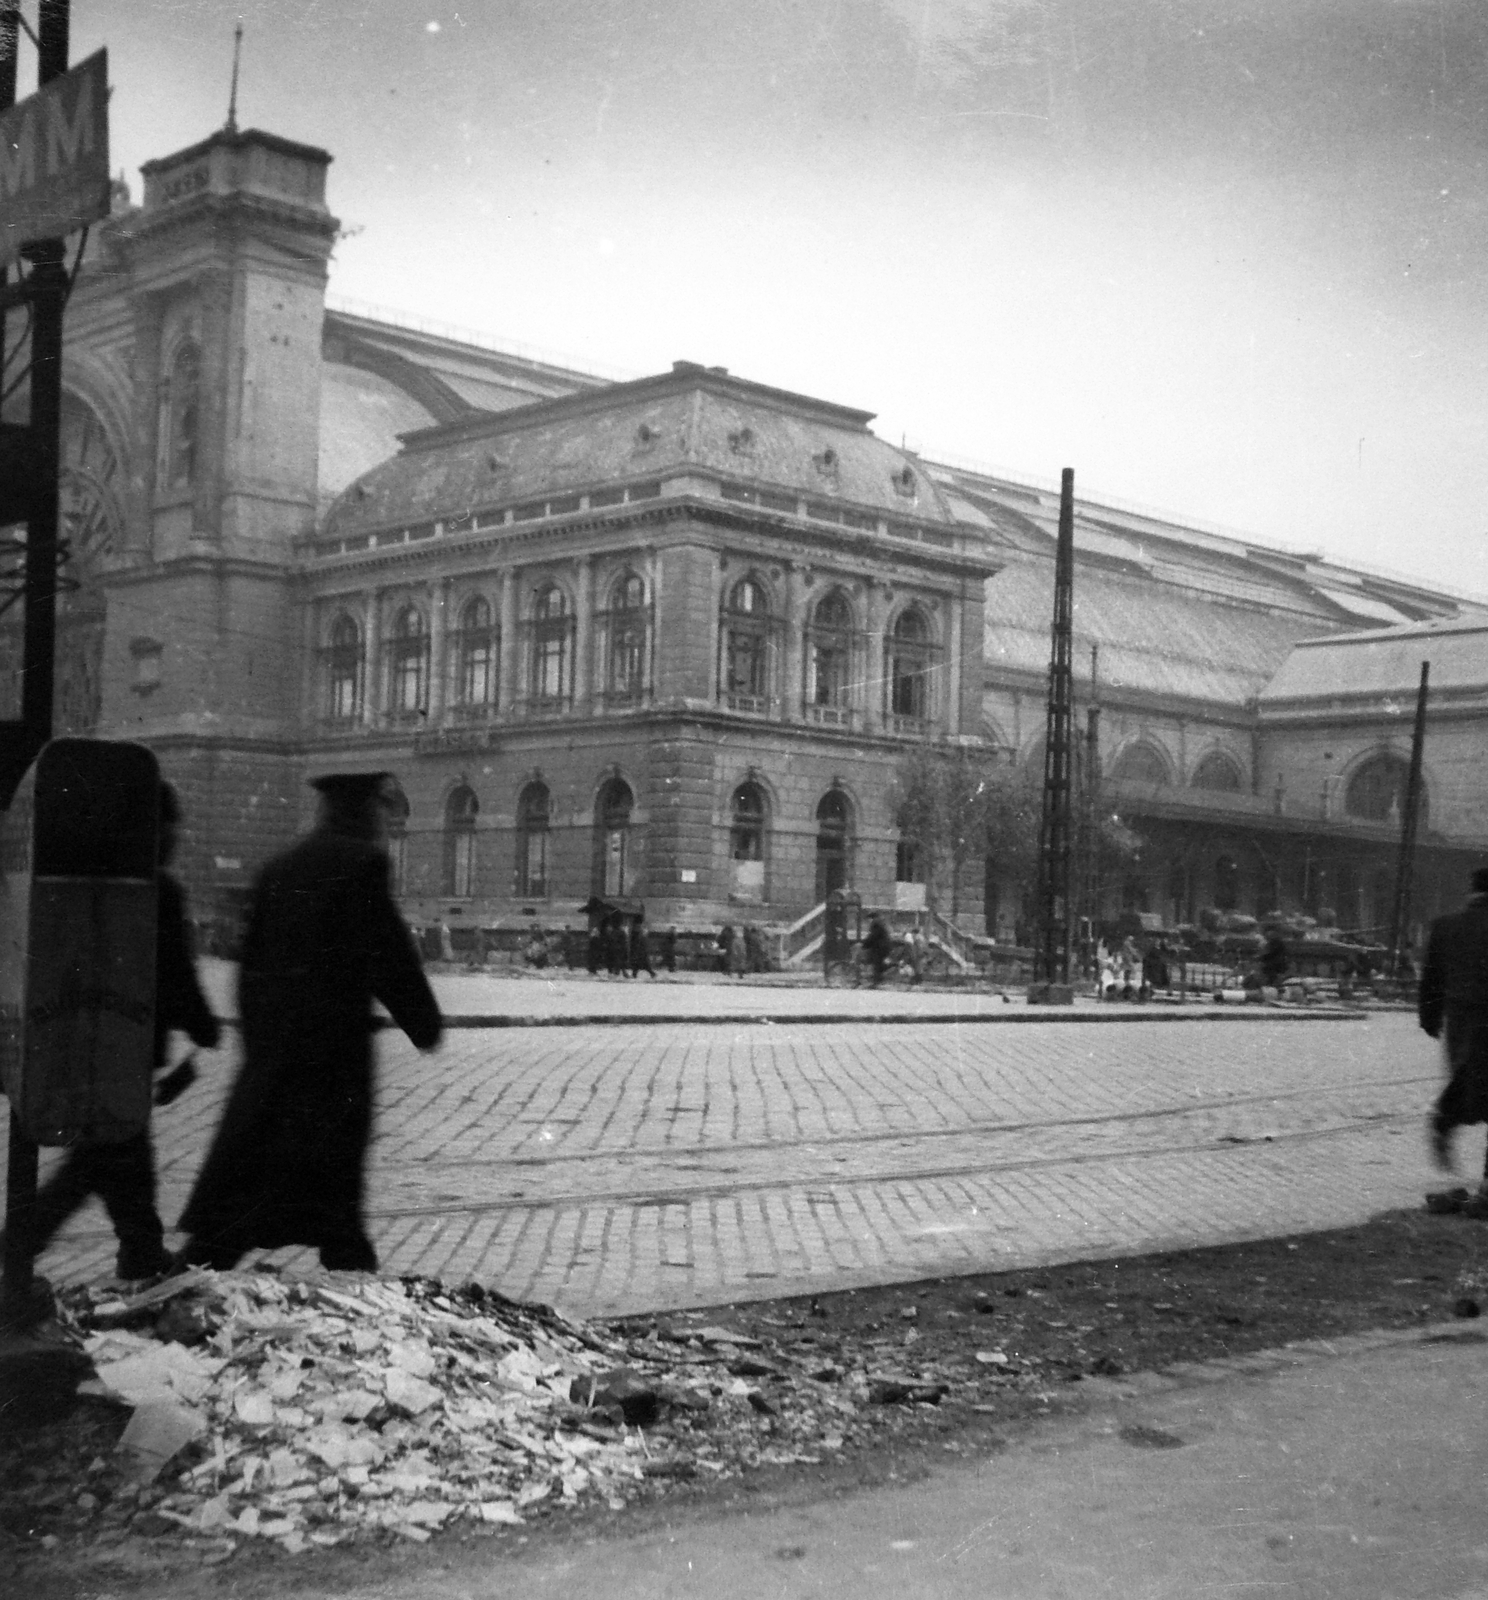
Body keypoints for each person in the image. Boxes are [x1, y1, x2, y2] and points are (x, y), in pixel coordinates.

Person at [176, 772, 441, 1273]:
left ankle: (195, 1271)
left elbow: (247, 972)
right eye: (384, 810)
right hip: (330, 1069)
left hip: (274, 1068)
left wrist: (263, 1046)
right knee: (334, 1195)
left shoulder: (279, 867)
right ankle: (369, 1309)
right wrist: (423, 1022)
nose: (387, 822)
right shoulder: (362, 865)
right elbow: (388, 955)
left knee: (245, 1193)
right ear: (366, 812)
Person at [26, 781, 220, 1282]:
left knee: (113, 1159)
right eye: (170, 827)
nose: (175, 838)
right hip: (128, 1052)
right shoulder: (160, 890)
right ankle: (26, 1249)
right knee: (101, 1162)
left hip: (89, 1045)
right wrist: (203, 1026)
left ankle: (141, 1251)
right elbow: (176, 974)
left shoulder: (91, 883)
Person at [1421, 866, 1488, 1175]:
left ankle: (1445, 1119)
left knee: (1469, 1082)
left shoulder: (1446, 926)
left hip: (1459, 1020)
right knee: (1476, 1090)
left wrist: (1430, 1018)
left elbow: (1431, 979)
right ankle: (1445, 1119)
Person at [863, 915, 892, 988]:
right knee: (878, 963)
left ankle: (876, 982)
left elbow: (873, 936)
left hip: (880, 947)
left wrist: (864, 944)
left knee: (877, 963)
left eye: (868, 920)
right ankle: (879, 978)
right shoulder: (879, 923)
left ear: (871, 919)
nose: (867, 922)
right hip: (884, 947)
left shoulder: (876, 925)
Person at [1260, 926, 1288, 991]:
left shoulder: (1278, 943)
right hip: (1269, 965)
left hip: (1276, 965)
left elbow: (1272, 953)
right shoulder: (1266, 942)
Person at [629, 913, 655, 978]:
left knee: (638, 963)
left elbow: (634, 940)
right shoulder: (641, 929)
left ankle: (635, 974)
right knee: (642, 964)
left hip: (638, 949)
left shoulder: (635, 930)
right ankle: (651, 973)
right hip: (642, 949)